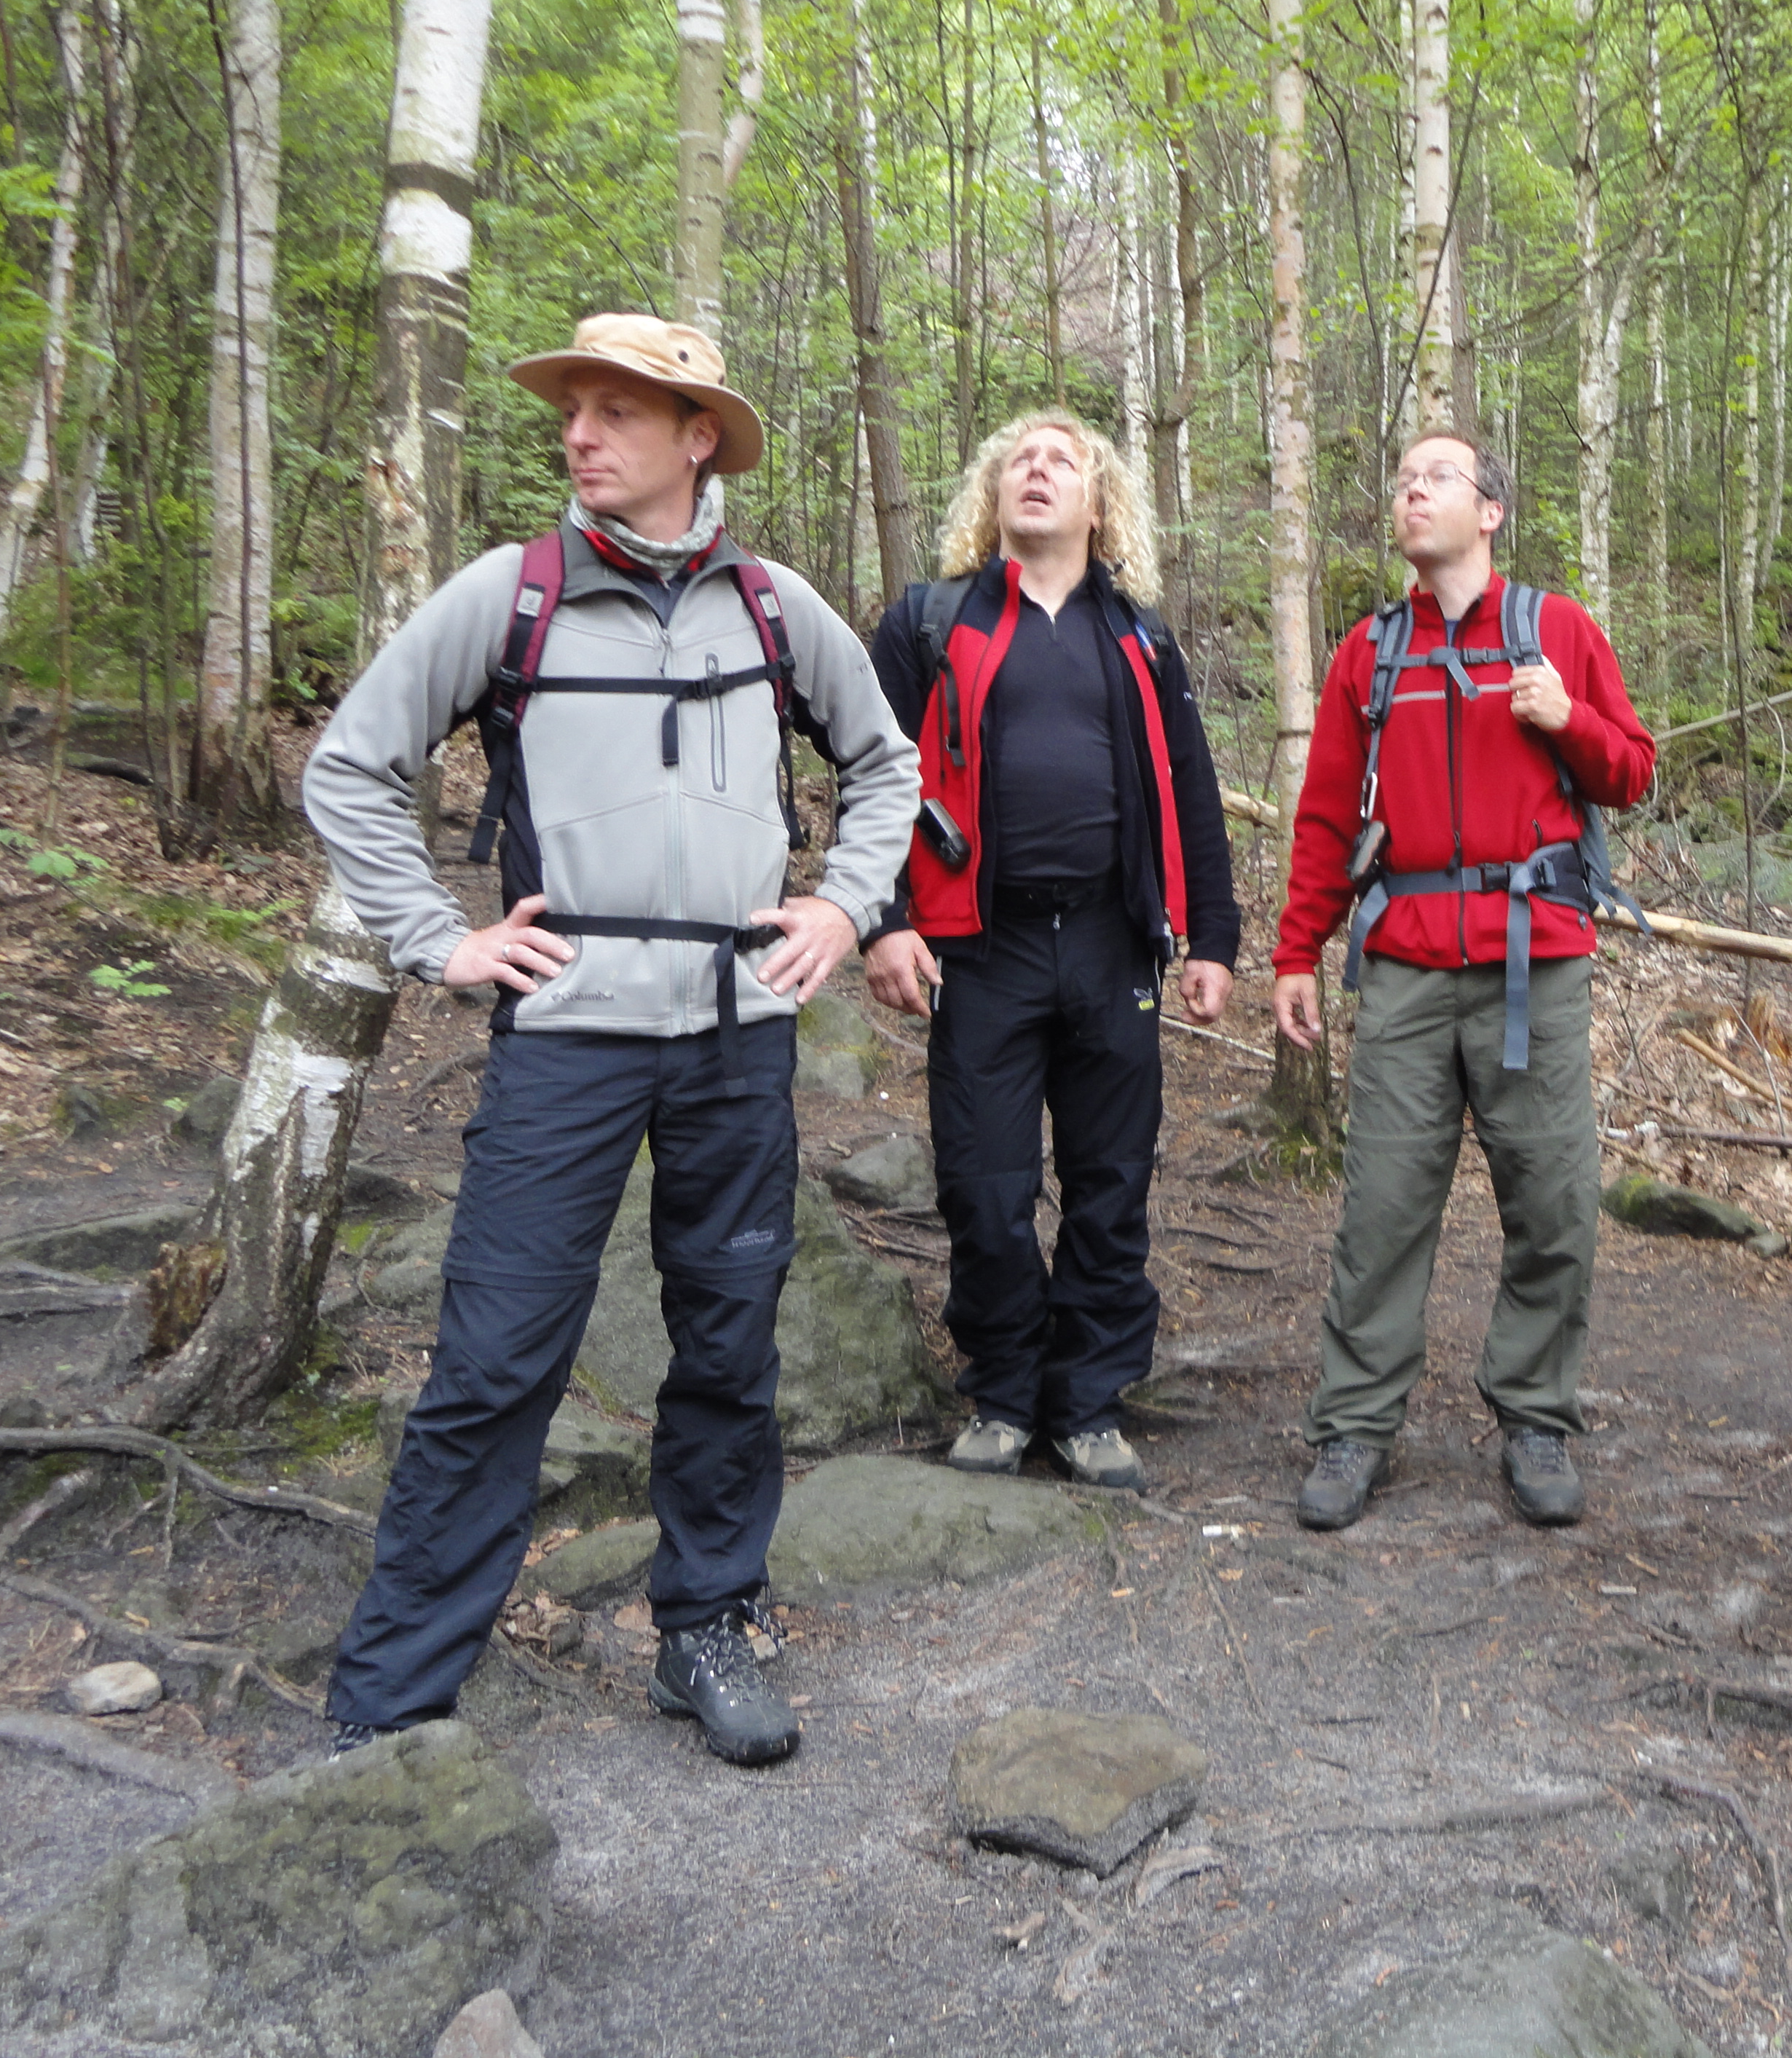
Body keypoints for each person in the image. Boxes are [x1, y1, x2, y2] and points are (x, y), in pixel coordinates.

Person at [305, 313, 917, 1765]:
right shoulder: (510, 596)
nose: (579, 435)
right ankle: (396, 1692)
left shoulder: (774, 609)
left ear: (698, 438)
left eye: (615, 412)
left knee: (729, 1349)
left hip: (737, 1037)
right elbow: (351, 766)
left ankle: (705, 1626)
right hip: (566, 1036)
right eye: (571, 410)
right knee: (496, 1354)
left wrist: (842, 906)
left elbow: (885, 762)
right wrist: (440, 938)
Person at [1274, 430, 1656, 1534]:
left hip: (1536, 963)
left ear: (1490, 511)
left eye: (1436, 477)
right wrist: (1297, 951)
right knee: (1382, 1207)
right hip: (1403, 968)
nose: (1412, 491)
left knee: (1554, 1201)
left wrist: (1567, 719)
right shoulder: (1369, 653)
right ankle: (1356, 1425)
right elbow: (1327, 816)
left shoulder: (1556, 630)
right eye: (1402, 479)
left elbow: (1632, 770)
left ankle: (1534, 1416)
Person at [861, 411, 1239, 1494]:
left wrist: (1212, 937)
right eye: (1019, 460)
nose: (1037, 470)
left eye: (1061, 460)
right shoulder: (931, 623)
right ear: (993, 497)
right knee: (983, 1186)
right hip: (983, 949)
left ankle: (1087, 1403)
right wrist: (884, 919)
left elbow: (1191, 788)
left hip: (1115, 943)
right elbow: (871, 774)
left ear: (1097, 502)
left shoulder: (1140, 637)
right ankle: (1003, 1392)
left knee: (1111, 1184)